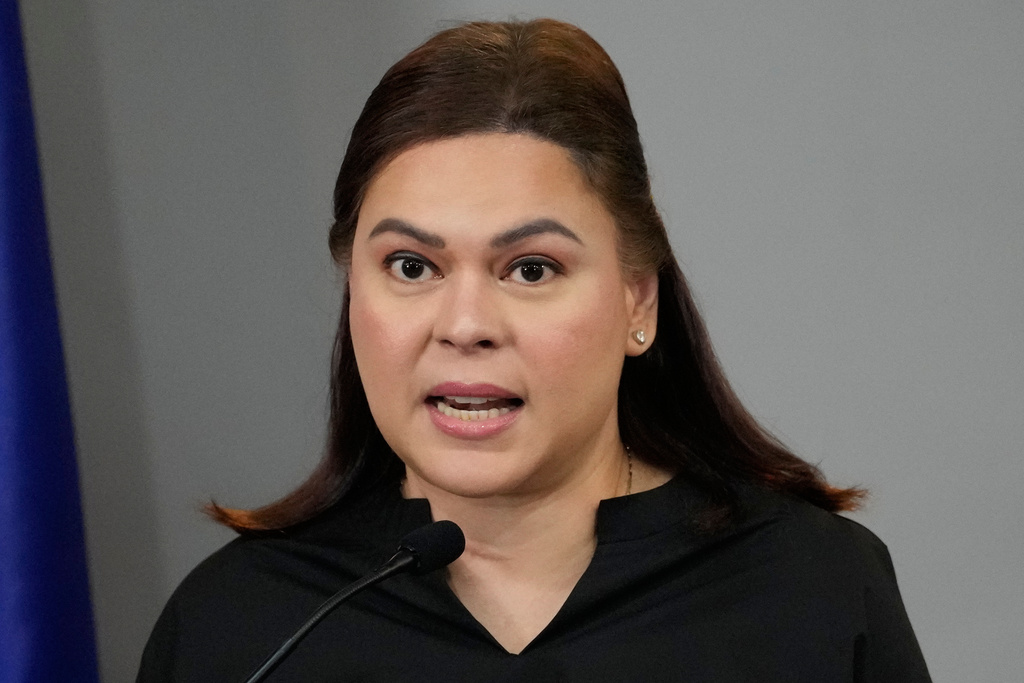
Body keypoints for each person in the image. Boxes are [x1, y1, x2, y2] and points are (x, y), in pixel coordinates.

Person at [137, 18, 930, 682]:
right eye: (412, 267)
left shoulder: (812, 589)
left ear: (636, 299)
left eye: (530, 268)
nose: (466, 323)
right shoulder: (243, 624)